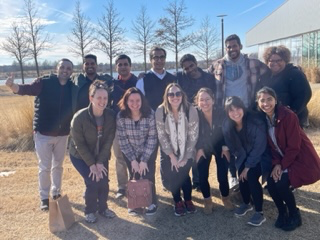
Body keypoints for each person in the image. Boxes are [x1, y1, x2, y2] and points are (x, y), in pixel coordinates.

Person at [5, 59, 74, 211]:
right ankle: (44, 198)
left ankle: (56, 192)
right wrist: (12, 86)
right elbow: (26, 89)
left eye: (68, 68)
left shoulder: (72, 86)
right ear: (57, 68)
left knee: (58, 166)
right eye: (62, 67)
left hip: (62, 135)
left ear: (72, 71)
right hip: (43, 133)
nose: (65, 70)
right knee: (44, 167)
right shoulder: (44, 82)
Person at [208, 34, 269, 190]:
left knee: (250, 142)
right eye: (228, 46)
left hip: (247, 109)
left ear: (240, 46)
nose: (231, 49)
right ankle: (233, 176)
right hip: (227, 110)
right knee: (231, 143)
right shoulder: (218, 65)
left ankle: (253, 174)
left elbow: (269, 72)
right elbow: (204, 77)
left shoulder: (252, 63)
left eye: (234, 46)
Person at [256, 87, 320, 231]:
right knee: (271, 184)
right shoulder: (263, 119)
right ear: (258, 103)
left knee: (281, 183)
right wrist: (277, 163)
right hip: (281, 159)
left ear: (276, 100)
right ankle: (282, 211)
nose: (266, 104)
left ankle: (294, 214)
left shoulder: (288, 116)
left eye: (269, 99)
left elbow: (294, 147)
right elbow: (272, 147)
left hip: (299, 158)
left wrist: (281, 166)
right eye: (262, 101)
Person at [69, 80, 116, 223]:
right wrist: (92, 164)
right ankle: (89, 210)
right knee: (92, 180)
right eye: (99, 98)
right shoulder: (79, 118)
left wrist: (100, 162)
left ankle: (103, 208)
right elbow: (79, 144)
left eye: (105, 98)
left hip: (100, 155)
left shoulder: (110, 116)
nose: (102, 101)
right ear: (91, 98)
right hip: (80, 156)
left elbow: (108, 141)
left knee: (104, 181)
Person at [222, 96, 267, 227]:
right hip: (244, 156)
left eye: (238, 108)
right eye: (231, 110)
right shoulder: (227, 124)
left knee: (251, 176)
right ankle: (246, 203)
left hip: (261, 157)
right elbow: (232, 146)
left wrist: (247, 166)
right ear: (227, 112)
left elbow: (260, 147)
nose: (235, 113)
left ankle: (259, 212)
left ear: (243, 108)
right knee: (241, 175)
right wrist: (242, 165)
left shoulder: (255, 122)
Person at [155, 83, 199, 216]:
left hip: (187, 149)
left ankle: (188, 200)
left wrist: (185, 157)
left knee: (184, 175)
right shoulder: (160, 111)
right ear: (167, 97)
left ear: (182, 95)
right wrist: (172, 156)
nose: (175, 97)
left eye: (178, 93)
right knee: (173, 175)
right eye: (171, 94)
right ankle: (177, 201)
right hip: (168, 150)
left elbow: (193, 135)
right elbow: (161, 135)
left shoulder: (190, 110)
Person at [136, 46, 176, 190]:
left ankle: (167, 183)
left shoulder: (173, 78)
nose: (159, 60)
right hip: (150, 125)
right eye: (155, 57)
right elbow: (138, 104)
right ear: (150, 60)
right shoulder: (143, 80)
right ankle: (149, 186)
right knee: (150, 156)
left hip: (169, 123)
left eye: (162, 57)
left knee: (168, 154)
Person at [176, 54, 217, 191]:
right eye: (186, 68)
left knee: (204, 145)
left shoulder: (208, 78)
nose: (190, 69)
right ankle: (196, 181)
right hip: (188, 117)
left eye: (191, 66)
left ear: (196, 63)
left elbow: (214, 94)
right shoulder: (181, 77)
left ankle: (201, 179)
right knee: (193, 146)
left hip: (206, 115)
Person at [117, 87, 158, 215]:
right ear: (126, 101)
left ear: (142, 101)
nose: (135, 104)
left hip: (148, 150)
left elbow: (152, 138)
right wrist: (133, 160)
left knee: (148, 175)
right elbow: (122, 140)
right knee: (134, 175)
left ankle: (152, 201)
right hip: (130, 151)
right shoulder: (121, 116)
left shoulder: (150, 114)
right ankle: (135, 203)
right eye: (131, 100)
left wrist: (144, 160)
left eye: (138, 100)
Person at [194, 88, 233, 214]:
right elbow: (193, 133)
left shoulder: (222, 112)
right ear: (197, 102)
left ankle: (225, 197)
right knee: (202, 175)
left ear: (213, 100)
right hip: (203, 147)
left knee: (222, 175)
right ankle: (207, 200)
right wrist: (199, 148)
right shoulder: (195, 114)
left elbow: (228, 131)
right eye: (201, 100)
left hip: (220, 146)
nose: (204, 102)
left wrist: (226, 147)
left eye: (207, 99)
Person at [257, 45, 312, 128]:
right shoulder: (265, 76)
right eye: (271, 60)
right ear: (267, 62)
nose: (275, 63)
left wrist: (291, 113)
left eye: (279, 60)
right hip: (272, 118)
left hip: (293, 118)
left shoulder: (294, 74)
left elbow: (304, 95)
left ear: (285, 60)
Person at [111, 54, 138, 199]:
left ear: (130, 66)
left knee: (135, 156)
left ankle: (136, 183)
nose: (123, 67)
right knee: (120, 157)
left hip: (135, 126)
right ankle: (122, 187)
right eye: (120, 64)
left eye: (125, 64)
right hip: (117, 127)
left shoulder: (138, 82)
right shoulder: (112, 84)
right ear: (116, 67)